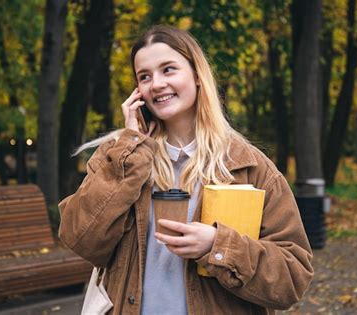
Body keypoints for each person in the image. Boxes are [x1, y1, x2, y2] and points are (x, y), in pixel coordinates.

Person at [58, 25, 313, 315]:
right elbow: (81, 239)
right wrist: (130, 150)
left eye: (168, 69)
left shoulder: (248, 167)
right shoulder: (120, 156)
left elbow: (293, 278)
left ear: (196, 75)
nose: (156, 84)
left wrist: (216, 246)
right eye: (145, 76)